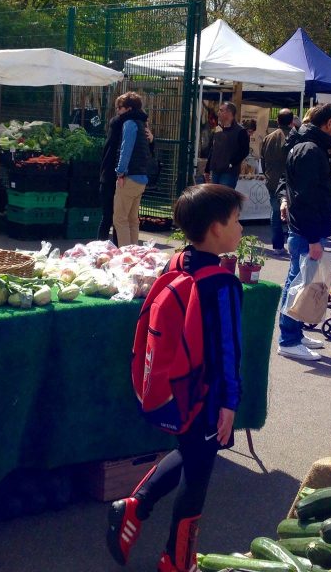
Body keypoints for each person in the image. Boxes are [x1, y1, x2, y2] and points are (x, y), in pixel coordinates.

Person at [106, 183, 244, 572]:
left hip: (178, 387)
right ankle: (177, 560)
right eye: (235, 221)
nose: (241, 229)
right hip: (207, 394)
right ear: (215, 228)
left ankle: (135, 505)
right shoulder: (221, 283)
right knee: (198, 474)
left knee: (189, 450)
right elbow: (229, 351)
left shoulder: (177, 264)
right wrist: (230, 403)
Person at [276, 103, 331, 361]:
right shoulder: (311, 150)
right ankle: (289, 338)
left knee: (299, 282)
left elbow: (291, 185)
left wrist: (284, 200)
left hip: (304, 228)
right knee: (298, 283)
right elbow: (306, 196)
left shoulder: (304, 145)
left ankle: (294, 334)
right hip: (306, 230)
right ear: (328, 124)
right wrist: (315, 237)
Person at [98, 92, 151, 245]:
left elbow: (125, 150)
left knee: (119, 219)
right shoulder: (142, 124)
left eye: (119, 108)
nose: (117, 111)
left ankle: (125, 256)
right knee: (133, 220)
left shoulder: (129, 124)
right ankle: (134, 252)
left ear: (128, 108)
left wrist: (120, 173)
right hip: (141, 177)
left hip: (129, 177)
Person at [260, 108, 293, 256]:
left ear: (277, 120)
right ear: (291, 121)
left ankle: (277, 245)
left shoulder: (268, 138)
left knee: (275, 212)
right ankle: (291, 244)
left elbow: (263, 160)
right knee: (290, 213)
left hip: (271, 180)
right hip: (289, 181)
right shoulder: (294, 137)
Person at [202, 102, 250, 188]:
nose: (218, 113)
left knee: (225, 198)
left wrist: (231, 163)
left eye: (221, 110)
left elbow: (245, 151)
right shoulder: (217, 129)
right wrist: (207, 169)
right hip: (215, 171)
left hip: (229, 173)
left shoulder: (240, 131)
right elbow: (213, 150)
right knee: (214, 197)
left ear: (229, 113)